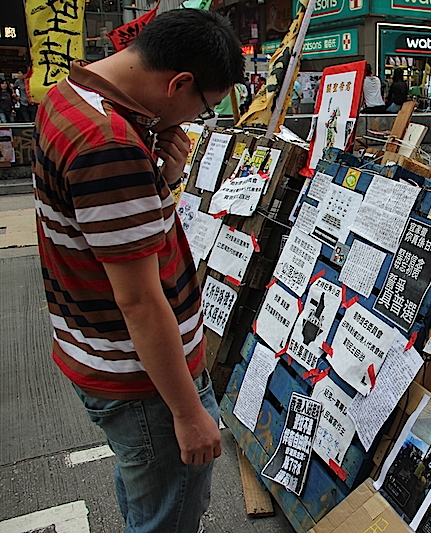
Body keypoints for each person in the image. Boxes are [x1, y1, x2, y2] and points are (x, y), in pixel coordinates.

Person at [32, 9, 243, 532]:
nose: (194, 121)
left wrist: (163, 177)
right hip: (140, 378)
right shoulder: (111, 145)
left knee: (146, 489)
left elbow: (108, 229)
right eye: (204, 106)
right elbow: (140, 301)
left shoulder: (70, 94)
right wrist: (189, 412)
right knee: (167, 514)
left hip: (98, 349)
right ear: (180, 83)